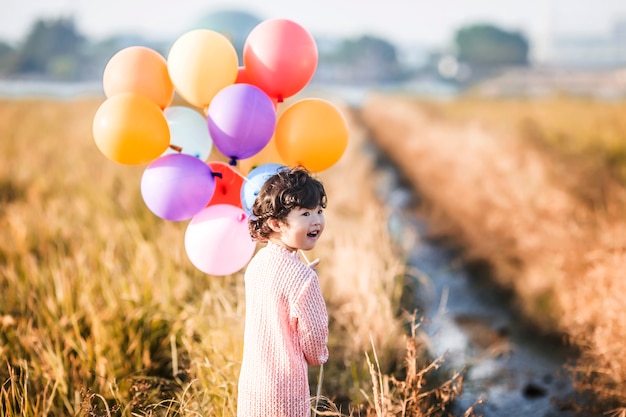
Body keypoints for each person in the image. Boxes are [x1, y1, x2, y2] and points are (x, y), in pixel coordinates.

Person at [237, 166, 329, 417]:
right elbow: (314, 345)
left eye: (319, 211)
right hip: (286, 393)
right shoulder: (303, 279)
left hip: (252, 387)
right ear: (276, 223)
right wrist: (320, 354)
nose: (316, 220)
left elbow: (275, 299)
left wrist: (300, 276)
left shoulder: (257, 264)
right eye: (306, 213)